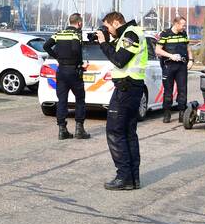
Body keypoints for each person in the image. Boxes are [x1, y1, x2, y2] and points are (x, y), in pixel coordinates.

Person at [97, 11, 147, 191]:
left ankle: (124, 176)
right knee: (128, 133)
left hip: (127, 89)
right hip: (130, 88)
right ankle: (133, 178)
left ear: (116, 22)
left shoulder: (131, 34)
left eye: (109, 27)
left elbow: (119, 60)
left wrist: (104, 43)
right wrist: (106, 42)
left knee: (115, 131)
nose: (109, 32)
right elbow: (119, 55)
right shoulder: (128, 34)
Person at [43, 13, 91, 140]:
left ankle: (62, 130)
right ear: (79, 23)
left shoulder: (59, 33)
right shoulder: (76, 34)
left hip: (61, 71)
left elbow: (46, 46)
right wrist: (79, 63)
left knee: (62, 100)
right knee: (80, 99)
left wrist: (57, 56)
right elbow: (76, 50)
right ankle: (79, 129)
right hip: (74, 71)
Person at [156, 15, 192, 122]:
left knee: (183, 90)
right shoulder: (165, 34)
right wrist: (170, 56)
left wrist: (191, 60)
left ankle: (182, 113)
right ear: (176, 24)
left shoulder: (183, 34)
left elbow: (188, 48)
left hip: (181, 66)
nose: (184, 27)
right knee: (168, 91)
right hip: (169, 66)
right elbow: (158, 50)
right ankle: (167, 113)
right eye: (183, 25)